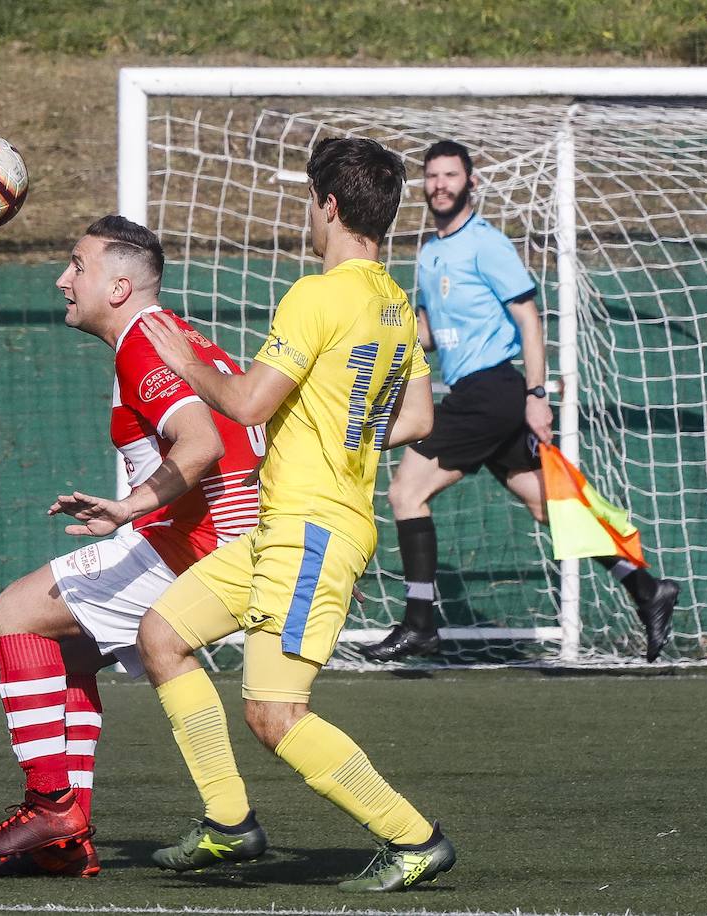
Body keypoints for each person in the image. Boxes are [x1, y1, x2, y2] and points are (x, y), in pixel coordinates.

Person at [135, 137, 453, 894]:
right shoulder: (394, 304)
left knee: (275, 715)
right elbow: (415, 419)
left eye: (312, 202)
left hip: (312, 531)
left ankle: (414, 839)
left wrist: (179, 359)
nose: (310, 216)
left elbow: (246, 404)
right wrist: (344, 423)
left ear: (330, 205)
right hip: (286, 528)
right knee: (163, 636)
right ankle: (228, 824)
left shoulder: (319, 295)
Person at [0, 215, 265, 878]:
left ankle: (51, 804)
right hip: (223, 542)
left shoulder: (144, 346)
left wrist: (127, 508)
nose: (63, 278)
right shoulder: (173, 337)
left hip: (197, 545)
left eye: (78, 264)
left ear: (120, 286)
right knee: (64, 656)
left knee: (13, 612)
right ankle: (63, 842)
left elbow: (202, 443)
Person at [361, 140, 680, 664]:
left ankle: (420, 623)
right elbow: (430, 332)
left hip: (494, 391)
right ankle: (647, 589)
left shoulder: (486, 244)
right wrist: (383, 350)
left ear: (471, 183)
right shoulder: (431, 250)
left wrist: (536, 395)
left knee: (404, 493)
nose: (440, 184)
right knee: (543, 502)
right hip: (476, 394)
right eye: (433, 176)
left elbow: (529, 320)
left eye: (451, 175)